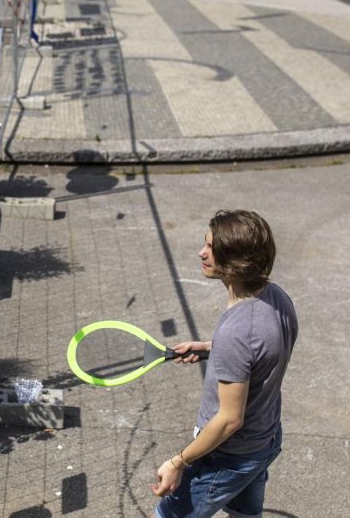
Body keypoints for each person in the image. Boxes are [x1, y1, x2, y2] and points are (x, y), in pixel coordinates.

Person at [152, 210, 298, 518]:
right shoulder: (276, 297)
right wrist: (210, 349)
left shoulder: (238, 331)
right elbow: (263, 351)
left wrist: (178, 462)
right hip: (265, 439)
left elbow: (230, 420)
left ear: (235, 261)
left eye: (211, 249)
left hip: (228, 456)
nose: (201, 253)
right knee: (244, 514)